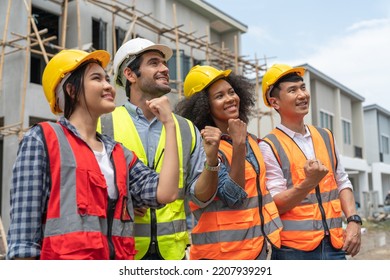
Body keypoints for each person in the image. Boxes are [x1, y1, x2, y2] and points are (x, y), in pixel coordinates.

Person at [6, 49, 180, 260]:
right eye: (97, 78)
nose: (109, 86)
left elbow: (166, 192)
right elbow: (23, 242)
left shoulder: (118, 153)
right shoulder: (42, 140)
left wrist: (169, 124)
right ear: (71, 90)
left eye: (107, 78)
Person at [98, 38, 221, 260]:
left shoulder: (185, 128)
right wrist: (118, 204)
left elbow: (201, 196)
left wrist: (212, 163)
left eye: (164, 63)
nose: (165, 69)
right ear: (130, 74)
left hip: (173, 254)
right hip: (121, 252)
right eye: (154, 63)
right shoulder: (104, 124)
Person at [175, 65, 282, 260]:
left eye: (232, 92)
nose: (230, 99)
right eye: (219, 96)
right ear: (204, 106)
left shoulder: (251, 140)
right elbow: (234, 197)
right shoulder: (202, 146)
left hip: (256, 248)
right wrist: (239, 146)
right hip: (221, 255)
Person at [260, 63, 362, 260]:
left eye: (303, 87)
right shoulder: (269, 145)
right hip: (294, 251)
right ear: (275, 102)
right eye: (292, 90)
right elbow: (275, 204)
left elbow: (342, 182)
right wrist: (309, 182)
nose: (302, 95)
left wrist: (353, 220)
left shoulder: (326, 136)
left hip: (334, 245)